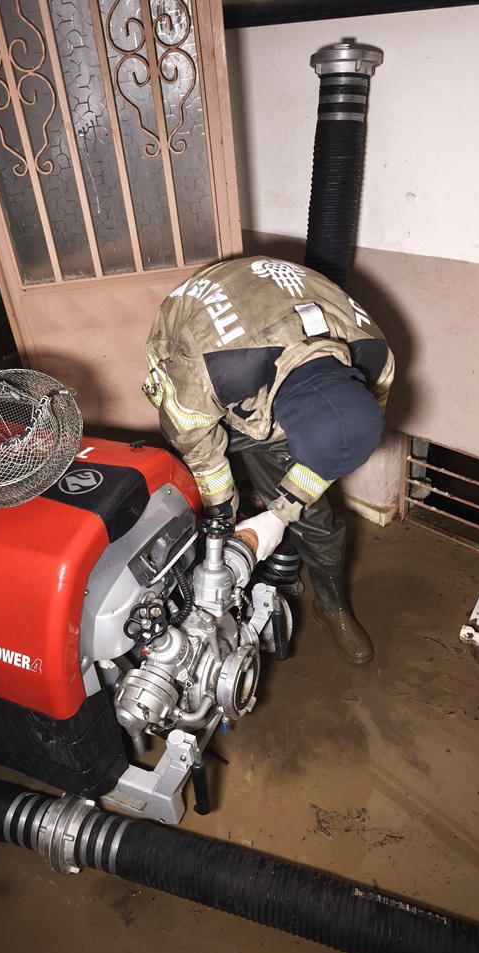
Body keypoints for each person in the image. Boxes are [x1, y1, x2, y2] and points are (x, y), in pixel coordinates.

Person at [142, 256, 394, 665]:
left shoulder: (376, 360)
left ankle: (331, 607)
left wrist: (280, 515)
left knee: (316, 521)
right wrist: (223, 517)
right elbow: (202, 453)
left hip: (273, 359)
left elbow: (331, 452)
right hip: (202, 348)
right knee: (195, 505)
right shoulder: (205, 373)